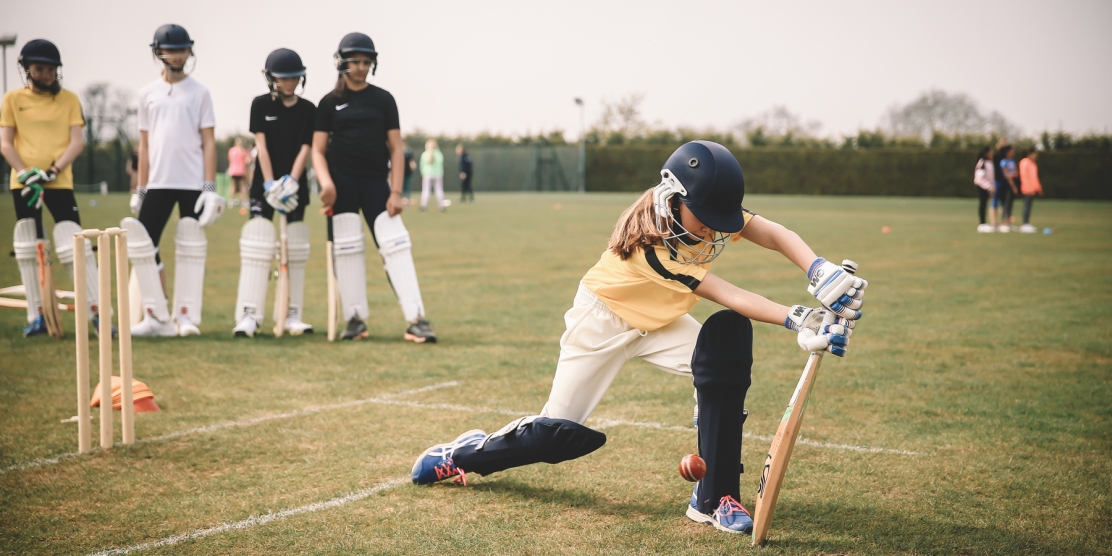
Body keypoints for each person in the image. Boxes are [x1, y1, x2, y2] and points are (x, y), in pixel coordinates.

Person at [410, 141, 868, 536]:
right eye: (706, 218)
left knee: (721, 363)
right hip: (603, 323)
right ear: (675, 196)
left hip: (659, 321)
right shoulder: (653, 243)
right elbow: (727, 293)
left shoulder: (697, 202)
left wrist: (817, 268)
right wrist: (801, 318)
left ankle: (715, 498)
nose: (713, 229)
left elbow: (768, 230)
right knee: (553, 435)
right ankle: (465, 453)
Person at [312, 32, 437, 343]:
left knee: (396, 246)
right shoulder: (328, 103)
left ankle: (417, 320)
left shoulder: (383, 99)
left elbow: (396, 148)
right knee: (347, 249)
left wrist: (395, 192)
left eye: (367, 62)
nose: (361, 67)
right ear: (342, 62)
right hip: (341, 185)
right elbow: (317, 150)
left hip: (375, 184)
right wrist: (326, 184)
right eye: (355, 61)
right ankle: (355, 320)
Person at [123, 24, 223, 337]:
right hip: (158, 183)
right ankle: (157, 316)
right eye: (171, 50)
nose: (178, 56)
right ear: (158, 52)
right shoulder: (147, 94)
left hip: (192, 184)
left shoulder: (200, 92)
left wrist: (210, 188)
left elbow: (208, 142)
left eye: (183, 49)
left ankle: (186, 317)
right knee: (145, 247)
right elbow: (145, 145)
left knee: (191, 249)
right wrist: (140, 188)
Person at [1, 38, 100, 337]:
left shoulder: (69, 99)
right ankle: (39, 314)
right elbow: (5, 143)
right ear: (26, 69)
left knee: (75, 245)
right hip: (24, 184)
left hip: (59, 182)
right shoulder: (12, 99)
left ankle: (96, 314)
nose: (45, 74)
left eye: (51, 70)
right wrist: (26, 173)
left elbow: (76, 143)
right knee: (31, 248)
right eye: (39, 68)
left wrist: (53, 171)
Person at [232, 48, 316, 337]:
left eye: (294, 78)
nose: (289, 84)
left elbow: (306, 147)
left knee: (293, 248)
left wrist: (291, 181)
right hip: (263, 187)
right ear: (271, 78)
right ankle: (249, 315)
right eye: (283, 78)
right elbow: (262, 147)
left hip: (295, 189)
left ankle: (292, 314)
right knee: (258, 245)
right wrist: (270, 185)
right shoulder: (260, 105)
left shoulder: (309, 110)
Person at [992, 141, 1018, 233]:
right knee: (1005, 204)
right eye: (1011, 151)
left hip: (1011, 183)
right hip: (1006, 185)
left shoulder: (1012, 161)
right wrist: (1013, 185)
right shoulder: (1003, 161)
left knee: (1009, 204)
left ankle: (1008, 223)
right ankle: (1004, 223)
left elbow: (1015, 173)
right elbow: (1007, 174)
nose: (1013, 152)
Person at [1018, 148, 1043, 233]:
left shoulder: (1033, 164)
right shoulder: (1024, 162)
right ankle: (1024, 224)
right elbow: (1024, 176)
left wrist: (1038, 188)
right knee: (1026, 206)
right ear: (1029, 154)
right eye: (1034, 154)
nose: (1035, 156)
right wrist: (1027, 188)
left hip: (1032, 189)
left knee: (1029, 206)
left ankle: (1027, 223)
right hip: (1027, 189)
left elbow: (1035, 177)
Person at [973, 146, 996, 233]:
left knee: (985, 204)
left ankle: (985, 223)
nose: (992, 154)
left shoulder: (989, 162)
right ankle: (982, 224)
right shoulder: (982, 162)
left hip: (988, 186)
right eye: (990, 152)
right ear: (986, 153)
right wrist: (988, 186)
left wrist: (991, 186)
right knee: (983, 204)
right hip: (982, 186)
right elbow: (979, 178)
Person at [419, 138, 445, 211]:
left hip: (427, 174)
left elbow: (422, 165)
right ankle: (441, 206)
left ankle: (423, 206)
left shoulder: (424, 154)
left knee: (426, 190)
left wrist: (423, 173)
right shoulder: (439, 154)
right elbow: (441, 164)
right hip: (438, 174)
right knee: (439, 190)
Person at [227, 137, 252, 211]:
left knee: (233, 185)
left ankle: (231, 201)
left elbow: (230, 159)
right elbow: (247, 161)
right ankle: (244, 201)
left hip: (233, 170)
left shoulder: (231, 150)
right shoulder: (244, 151)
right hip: (241, 170)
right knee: (242, 186)